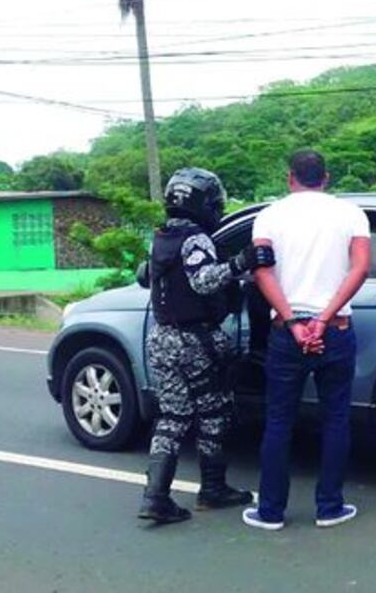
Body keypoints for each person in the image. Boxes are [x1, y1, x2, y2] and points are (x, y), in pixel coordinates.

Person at [242, 150, 371, 531]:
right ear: (326, 177)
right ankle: (329, 507)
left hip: (286, 334)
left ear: (290, 178)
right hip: (337, 330)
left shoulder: (269, 215)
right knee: (335, 420)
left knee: (279, 420)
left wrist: (294, 322)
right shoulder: (350, 214)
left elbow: (262, 273)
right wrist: (323, 319)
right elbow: (361, 267)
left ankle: (270, 512)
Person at [138, 167, 275, 524]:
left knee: (172, 417)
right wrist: (241, 263)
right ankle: (212, 489)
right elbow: (202, 281)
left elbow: (145, 275)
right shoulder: (196, 238)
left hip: (162, 337)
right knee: (213, 413)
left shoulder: (161, 236)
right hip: (195, 342)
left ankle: (155, 498)